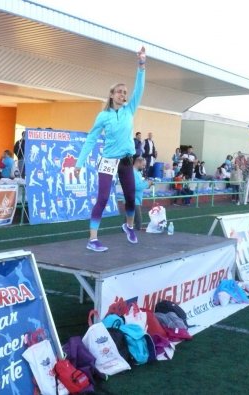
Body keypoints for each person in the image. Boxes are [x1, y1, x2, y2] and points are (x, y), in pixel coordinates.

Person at [73, 46, 146, 252]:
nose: (124, 94)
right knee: (103, 198)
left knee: (131, 196)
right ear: (112, 95)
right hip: (108, 161)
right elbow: (90, 140)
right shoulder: (103, 116)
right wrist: (79, 164)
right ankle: (93, 239)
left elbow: (139, 88)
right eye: (120, 92)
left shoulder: (129, 110)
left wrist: (141, 65)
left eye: (125, 92)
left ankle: (129, 226)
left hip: (126, 161)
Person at [131, 157, 152, 230]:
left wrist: (147, 184)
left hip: (136, 199)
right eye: (143, 165)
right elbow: (136, 186)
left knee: (130, 219)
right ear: (138, 163)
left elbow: (140, 184)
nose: (144, 167)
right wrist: (147, 183)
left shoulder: (138, 172)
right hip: (133, 199)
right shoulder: (133, 172)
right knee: (138, 220)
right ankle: (137, 233)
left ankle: (125, 233)